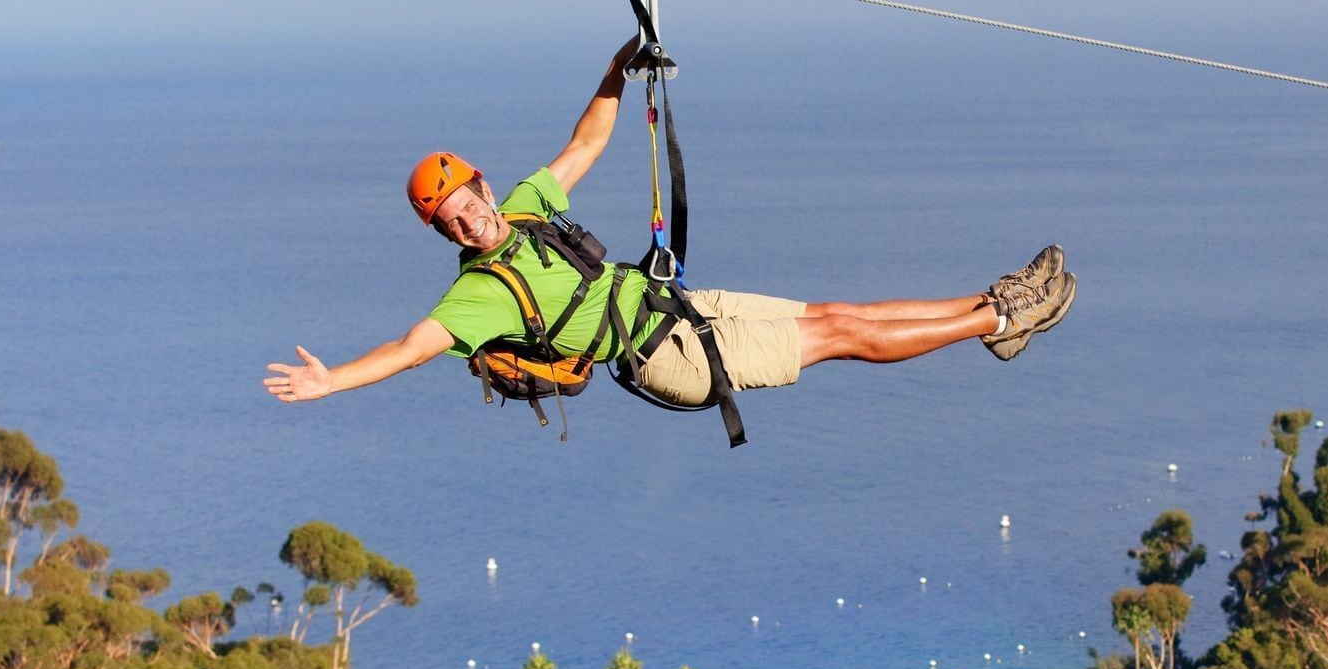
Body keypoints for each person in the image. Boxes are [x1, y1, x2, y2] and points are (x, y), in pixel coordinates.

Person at [263, 37, 1076, 414]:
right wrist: (332, 378)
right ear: (445, 235)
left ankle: (992, 301)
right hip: (668, 354)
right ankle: (1001, 319)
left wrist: (616, 72)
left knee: (837, 315)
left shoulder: (522, 208)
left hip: (678, 305)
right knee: (845, 340)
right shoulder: (480, 297)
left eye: (469, 201)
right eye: (454, 221)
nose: (471, 220)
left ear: (481, 184)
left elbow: (585, 143)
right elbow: (410, 349)